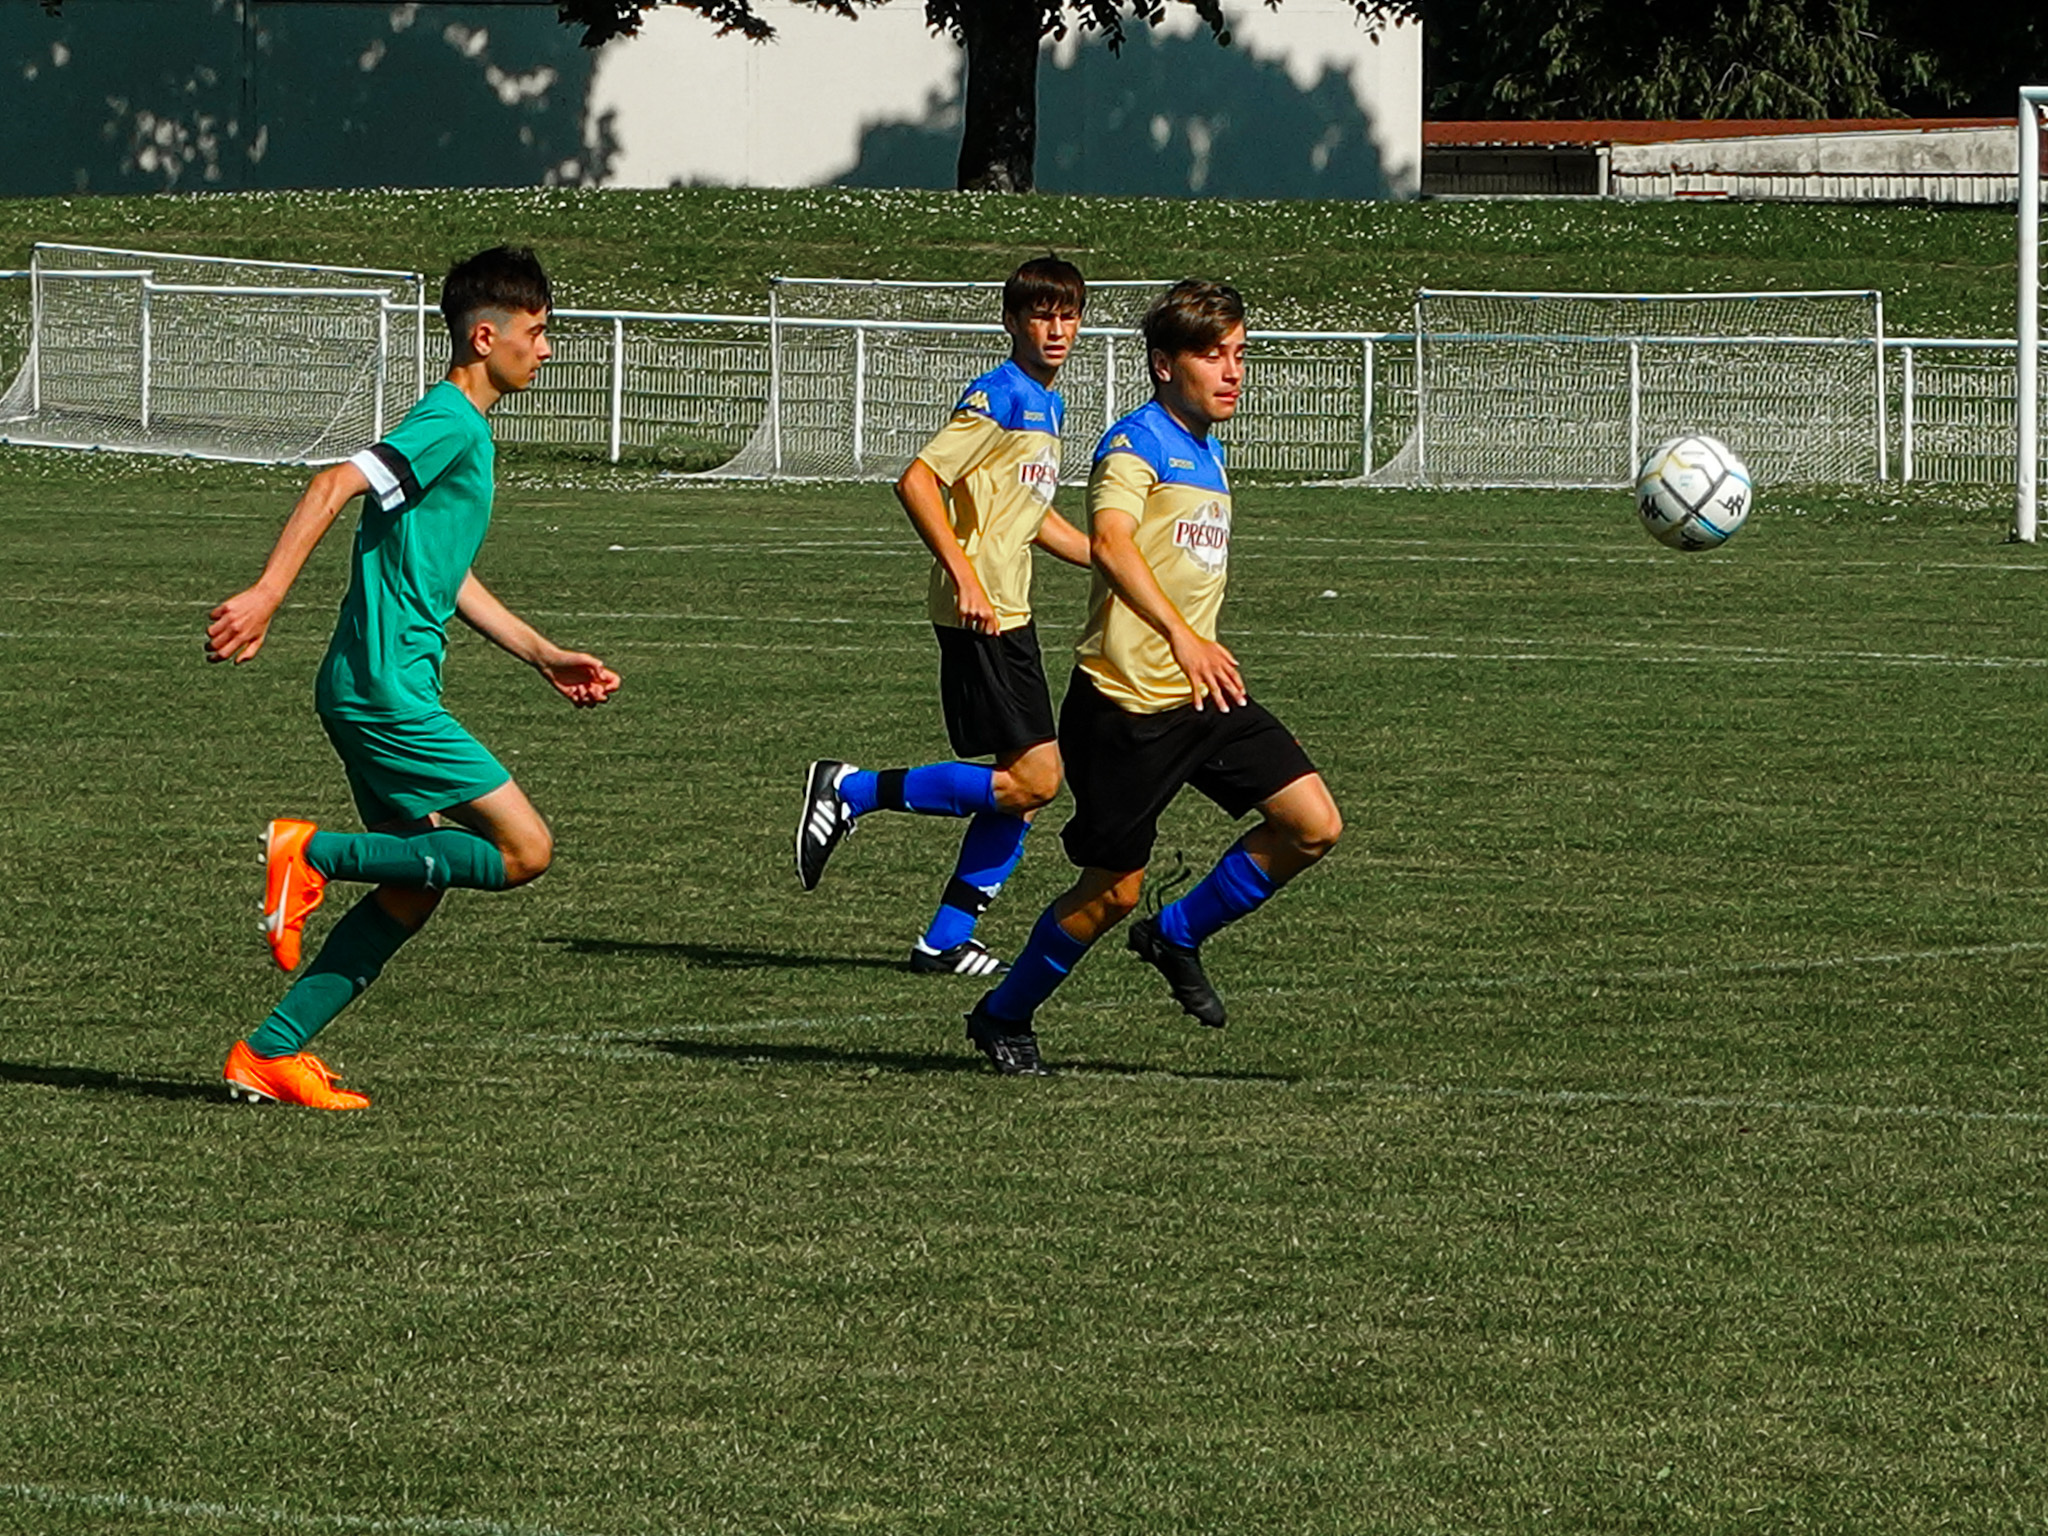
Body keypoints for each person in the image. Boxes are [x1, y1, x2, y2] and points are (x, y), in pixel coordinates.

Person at [203, 245, 621, 1110]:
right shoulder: (450, 423)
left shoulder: (458, 431)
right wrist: (269, 593)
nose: (546, 349)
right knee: (524, 850)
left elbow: (445, 573)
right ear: (485, 335)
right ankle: (309, 853)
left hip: (369, 684)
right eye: (537, 333)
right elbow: (330, 485)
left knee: (415, 882)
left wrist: (543, 654)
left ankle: (268, 1053)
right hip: (387, 692)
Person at [961, 279, 1343, 1075]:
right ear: (1164, 365)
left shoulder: (1209, 447)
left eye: (1239, 355)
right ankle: (1003, 1014)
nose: (1233, 372)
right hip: (1122, 710)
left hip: (1204, 693)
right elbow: (1111, 541)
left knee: (1313, 826)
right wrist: (1180, 633)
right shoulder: (1133, 445)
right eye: (1214, 355)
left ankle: (1179, 933)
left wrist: (1196, 650)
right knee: (1111, 894)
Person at [794, 257, 1092, 976]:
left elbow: (1028, 512)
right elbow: (918, 478)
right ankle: (849, 790)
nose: (1056, 329)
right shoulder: (998, 395)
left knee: (1022, 788)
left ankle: (944, 940)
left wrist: (1108, 560)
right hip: (981, 609)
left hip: (1007, 604)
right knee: (1035, 781)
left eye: (1068, 314)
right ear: (1012, 323)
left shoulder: (1045, 403)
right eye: (1041, 315)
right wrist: (963, 574)